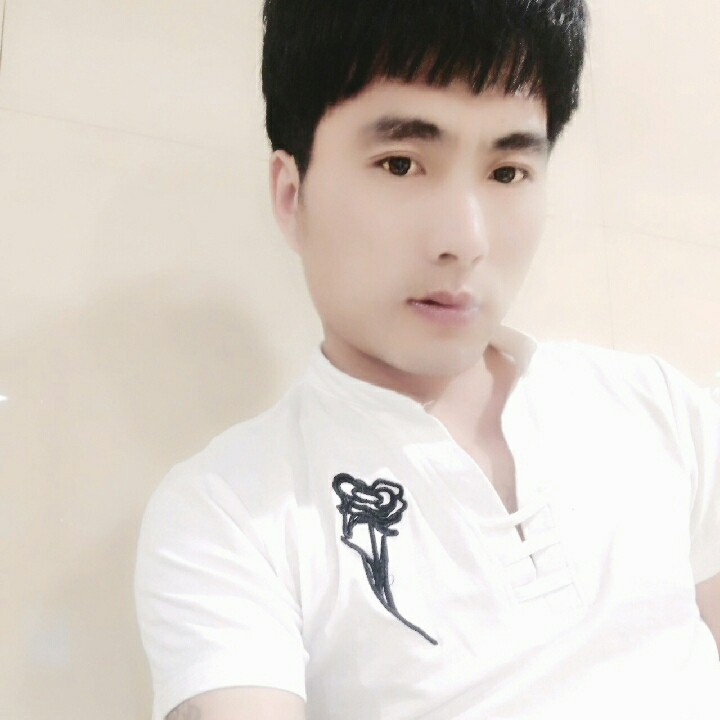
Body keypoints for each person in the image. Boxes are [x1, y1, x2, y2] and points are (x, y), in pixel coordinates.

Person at [134, 1, 720, 718]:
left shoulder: (659, 409)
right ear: (292, 194)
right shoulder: (228, 512)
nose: (465, 241)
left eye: (507, 172)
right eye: (401, 163)